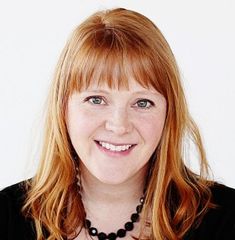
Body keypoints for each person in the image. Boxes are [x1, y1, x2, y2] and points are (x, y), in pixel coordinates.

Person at [0, 7, 235, 240]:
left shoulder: (225, 219)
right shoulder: (7, 217)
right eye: (96, 99)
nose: (119, 125)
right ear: (63, 108)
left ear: (169, 113)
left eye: (142, 103)